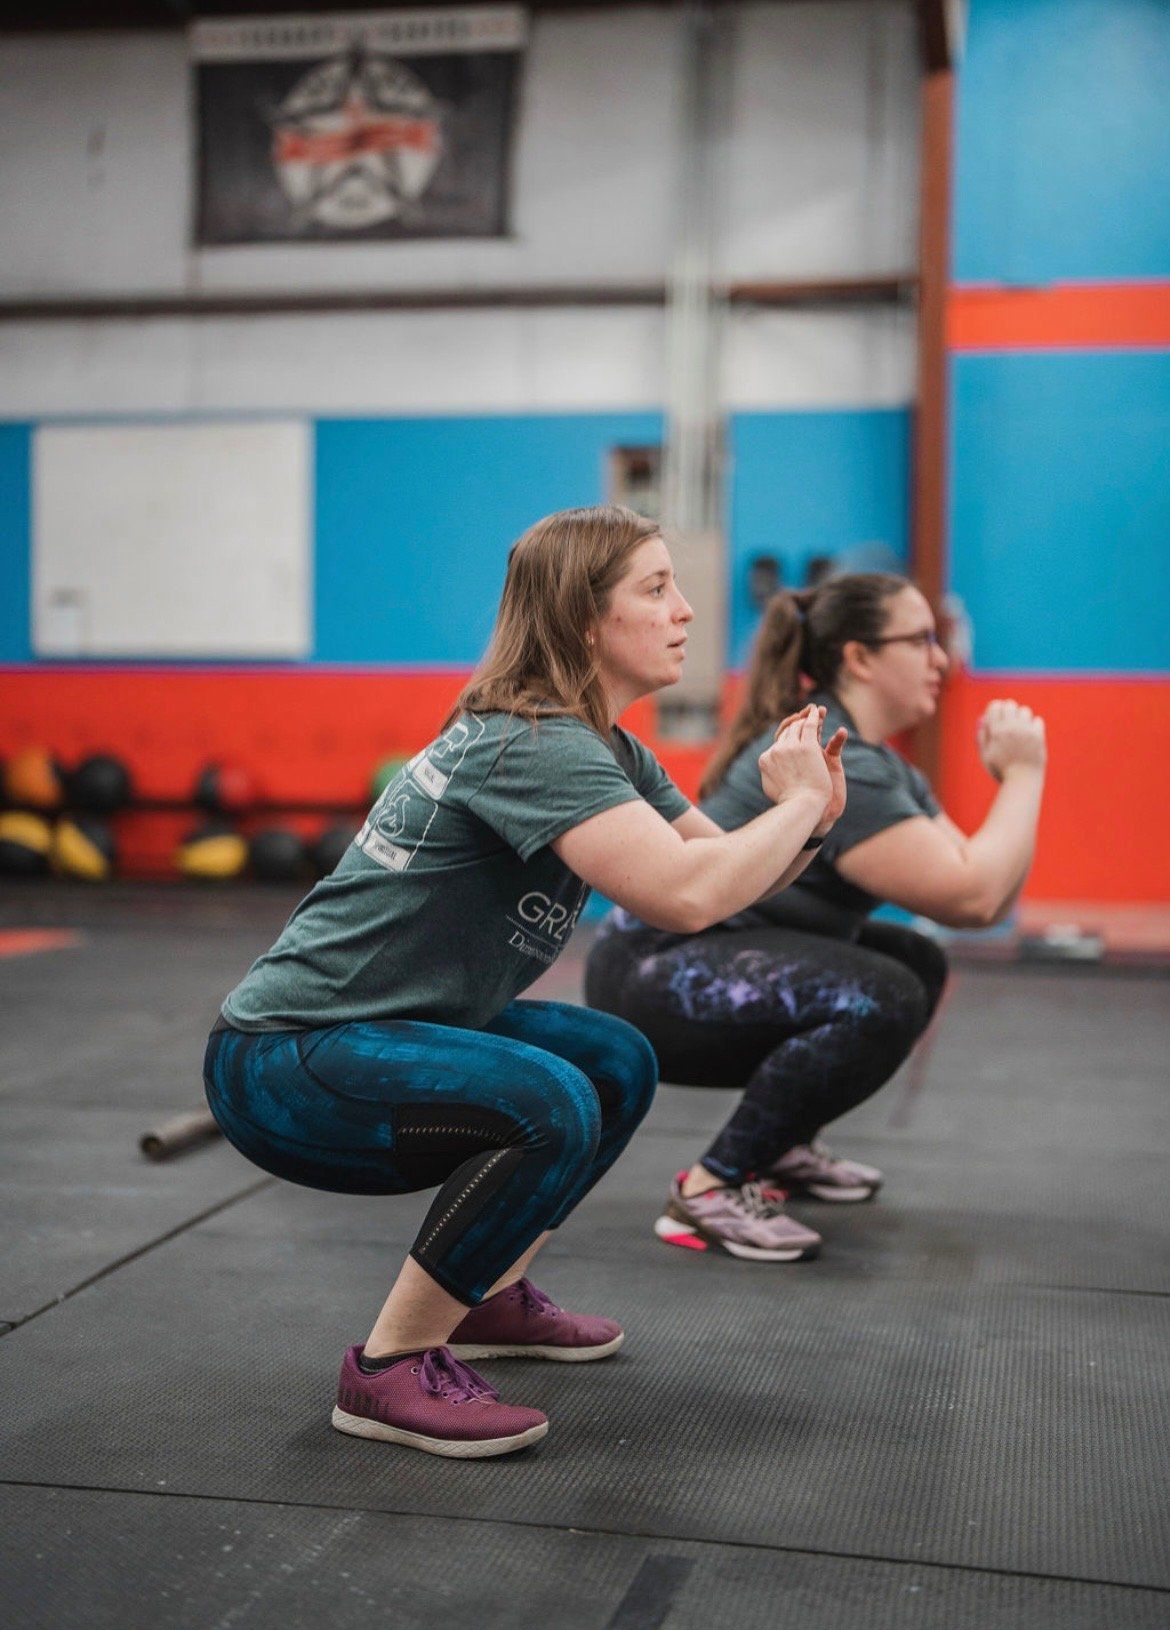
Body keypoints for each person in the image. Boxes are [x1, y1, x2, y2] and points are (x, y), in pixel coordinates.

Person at [204, 505, 846, 1459]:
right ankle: (387, 1371)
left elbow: (727, 876)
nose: (685, 613)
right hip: (288, 1061)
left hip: (372, 1035)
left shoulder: (605, 749)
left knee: (613, 1057)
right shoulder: (529, 742)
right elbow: (686, 897)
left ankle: (488, 1298)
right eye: (656, 588)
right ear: (585, 621)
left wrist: (814, 816)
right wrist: (791, 806)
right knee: (550, 1099)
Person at [584, 573, 1047, 1263]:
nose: (941, 659)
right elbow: (974, 898)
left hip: (715, 965)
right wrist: (1025, 775)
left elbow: (987, 890)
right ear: (859, 657)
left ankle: (783, 1146)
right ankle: (710, 1190)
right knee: (883, 993)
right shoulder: (838, 757)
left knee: (917, 962)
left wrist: (1018, 781)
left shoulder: (878, 765)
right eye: (921, 640)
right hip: (654, 977)